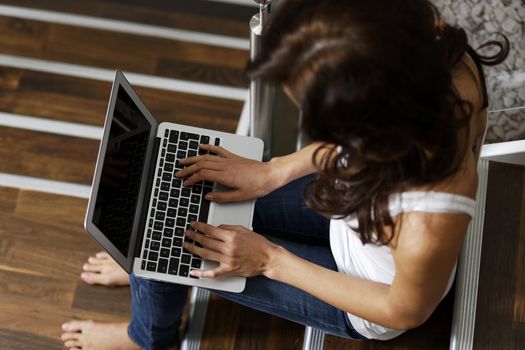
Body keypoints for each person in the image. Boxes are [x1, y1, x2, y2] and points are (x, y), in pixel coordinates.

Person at [61, 0, 509, 349]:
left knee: (157, 246)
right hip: (355, 210)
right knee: (168, 200)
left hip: (366, 292)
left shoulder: (429, 221)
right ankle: (147, 273)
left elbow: (402, 310)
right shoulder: (432, 57)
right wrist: (272, 172)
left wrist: (271, 260)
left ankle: (148, 337)